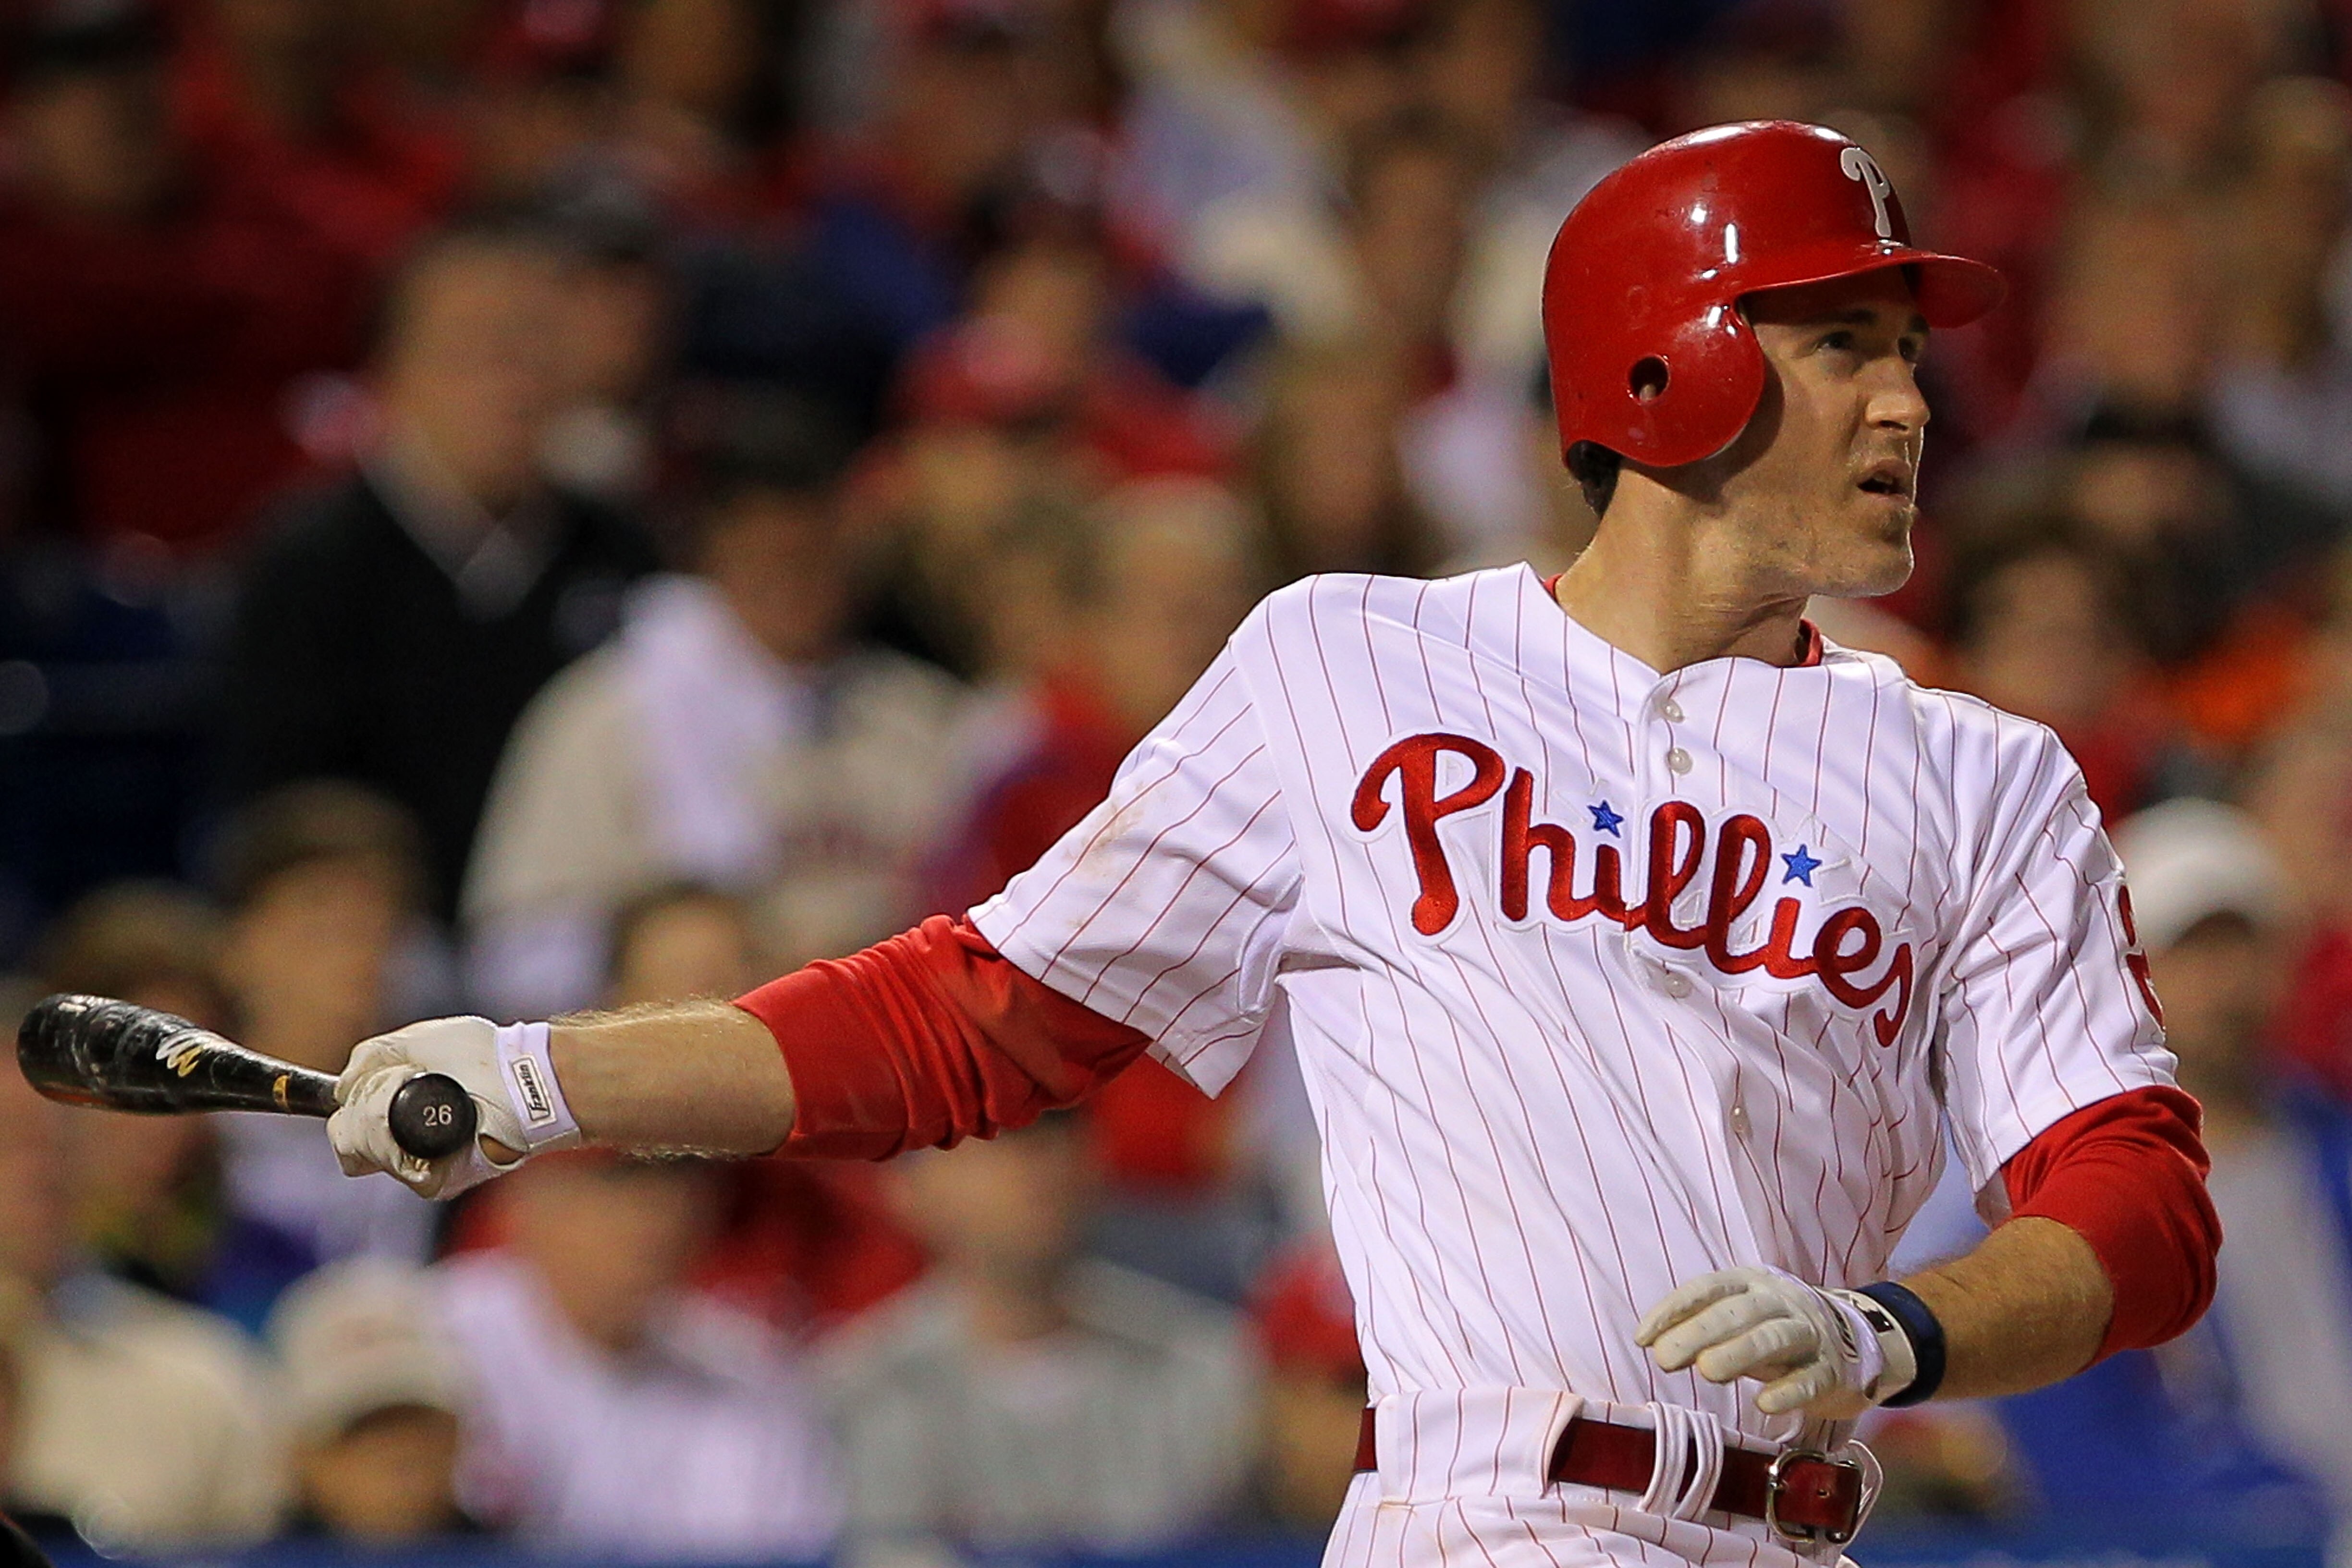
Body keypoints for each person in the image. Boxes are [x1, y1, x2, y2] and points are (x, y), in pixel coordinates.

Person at [331, 123, 2221, 1562]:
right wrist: (534, 1076)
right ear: (1667, 364)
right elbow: (973, 1021)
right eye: (1845, 344)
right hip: (1484, 1518)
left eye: (1907, 351)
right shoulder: (1357, 663)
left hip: (1800, 1521)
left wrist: (1889, 1332)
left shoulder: (1985, 776)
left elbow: (2140, 1208)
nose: (1911, 399)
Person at [461, 408, 973, 1018]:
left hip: (888, 1057)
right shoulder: (607, 715)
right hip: (683, 1065)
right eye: (773, 553)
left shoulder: (923, 715)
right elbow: (510, 958)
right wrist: (669, 959)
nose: (800, 579)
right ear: (715, 549)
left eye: (820, 549)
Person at [220, 217, 659, 919]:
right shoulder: (309, 568)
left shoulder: (627, 554)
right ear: (393, 375)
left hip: (585, 944)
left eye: (534, 350)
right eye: (476, 352)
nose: (512, 383)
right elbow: (284, 816)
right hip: (384, 946)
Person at [824, 1112, 1257, 1553]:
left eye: (1062, 1129)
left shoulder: (1207, 1362)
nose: (1039, 1162)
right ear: (908, 1188)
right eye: (996, 1138)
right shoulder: (856, 1387)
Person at [432, 1152, 841, 1558]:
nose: (658, 1213)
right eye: (618, 1181)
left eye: (681, 1177)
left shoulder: (751, 1375)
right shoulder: (431, 1338)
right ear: (523, 1202)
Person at [266, 1259, 478, 1541]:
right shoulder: (242, 1557)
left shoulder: (520, 1557)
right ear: (300, 1454)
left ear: (457, 1434)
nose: (400, 1452)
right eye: (363, 1427)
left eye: (415, 1418)